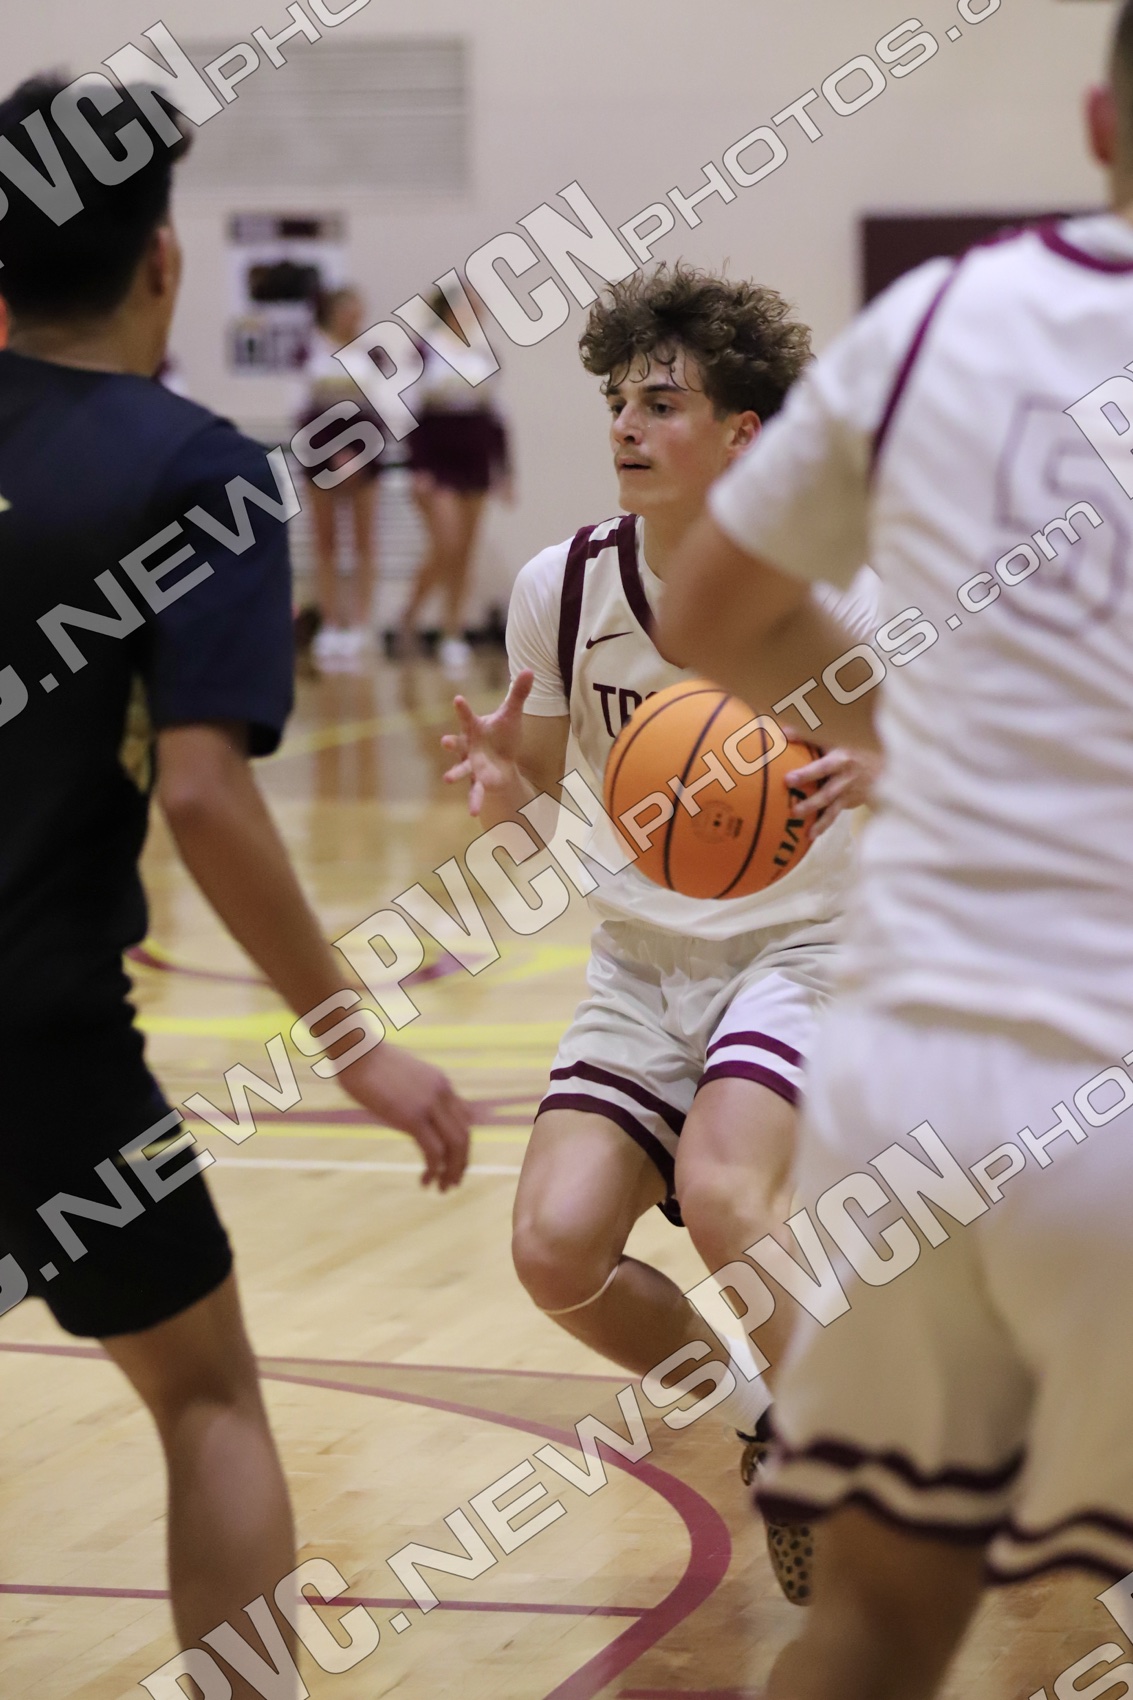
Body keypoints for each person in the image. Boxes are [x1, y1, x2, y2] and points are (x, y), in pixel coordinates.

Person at [660, 9, 1133, 1694]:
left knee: (869, 1625)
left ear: (1096, 121)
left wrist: (898, 730)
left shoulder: (937, 317)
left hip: (915, 1080)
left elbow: (707, 609)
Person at [0, 75, 471, 1692]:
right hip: (41, 1043)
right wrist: (354, 1041)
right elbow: (202, 793)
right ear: (164, 259)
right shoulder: (196, 473)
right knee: (206, 1398)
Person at [443, 266, 877, 1603]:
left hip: (804, 950)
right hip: (641, 966)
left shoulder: (835, 588)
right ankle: (766, 1412)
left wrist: (885, 771)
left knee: (729, 1189)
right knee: (553, 1250)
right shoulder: (563, 585)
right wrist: (506, 796)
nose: (626, 425)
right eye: (619, 401)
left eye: (662, 403)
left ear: (743, 433)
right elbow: (532, 811)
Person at [402, 288, 510, 678]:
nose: (476, 310)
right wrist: (417, 466)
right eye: (467, 303)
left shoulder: (485, 351)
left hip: (475, 457)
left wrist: (504, 470)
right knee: (445, 545)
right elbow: (410, 413)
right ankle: (409, 617)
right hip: (437, 460)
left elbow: (497, 415)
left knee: (465, 550)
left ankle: (452, 631)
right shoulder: (424, 350)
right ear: (448, 309)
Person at [294, 286, 385, 665]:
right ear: (331, 312)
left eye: (358, 310)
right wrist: (330, 453)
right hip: (320, 455)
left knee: (364, 542)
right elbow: (301, 409)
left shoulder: (372, 353)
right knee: (326, 542)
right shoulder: (309, 351)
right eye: (347, 309)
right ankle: (331, 623)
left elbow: (382, 409)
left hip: (365, 456)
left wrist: (358, 452)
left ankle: (361, 624)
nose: (353, 316)